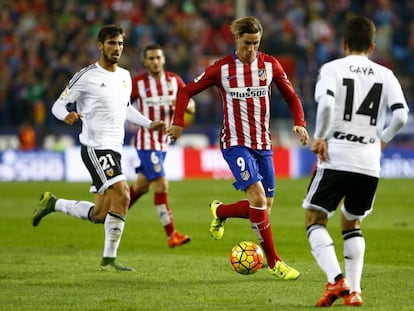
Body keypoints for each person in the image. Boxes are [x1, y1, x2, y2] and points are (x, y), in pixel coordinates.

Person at [167, 16, 309, 280]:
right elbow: (186, 92)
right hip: (235, 143)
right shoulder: (221, 69)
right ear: (237, 40)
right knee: (256, 197)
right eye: (247, 43)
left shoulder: (270, 65)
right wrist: (178, 123)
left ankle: (220, 211)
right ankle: (275, 262)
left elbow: (292, 96)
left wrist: (299, 122)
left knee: (263, 208)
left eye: (256, 43)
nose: (252, 48)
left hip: (263, 145)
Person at [32, 24, 165, 272]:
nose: (117, 48)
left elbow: (125, 108)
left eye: (121, 43)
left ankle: (54, 203)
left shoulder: (125, 76)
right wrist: (66, 115)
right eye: (112, 43)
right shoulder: (86, 76)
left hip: (114, 148)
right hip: (95, 147)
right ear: (100, 46)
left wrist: (149, 124)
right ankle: (109, 260)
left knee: (101, 214)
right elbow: (58, 106)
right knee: (124, 195)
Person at [302, 16, 409, 307]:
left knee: (315, 219)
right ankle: (354, 291)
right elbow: (401, 115)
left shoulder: (332, 68)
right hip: (369, 162)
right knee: (352, 223)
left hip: (337, 155)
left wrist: (321, 136)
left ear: (344, 43)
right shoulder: (385, 75)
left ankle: (337, 281)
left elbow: (325, 104)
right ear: (372, 46)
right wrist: (382, 139)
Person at [129, 44, 194, 248]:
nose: (155, 61)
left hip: (164, 143)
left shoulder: (174, 81)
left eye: (158, 57)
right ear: (145, 62)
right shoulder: (138, 83)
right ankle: (171, 234)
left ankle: (111, 214)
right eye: (151, 58)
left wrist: (183, 106)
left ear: (164, 59)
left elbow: (190, 104)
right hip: (147, 142)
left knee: (141, 187)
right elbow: (122, 105)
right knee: (162, 184)